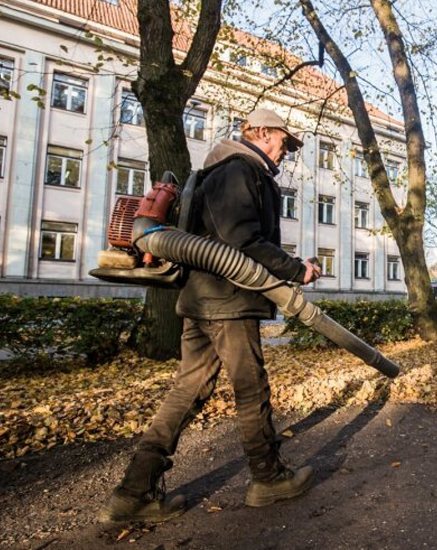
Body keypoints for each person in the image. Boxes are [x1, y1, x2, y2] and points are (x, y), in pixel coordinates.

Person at [101, 108, 322, 523]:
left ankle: (132, 494)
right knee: (250, 387)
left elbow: (229, 238)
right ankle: (269, 479)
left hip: (203, 299)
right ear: (259, 133)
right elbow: (241, 239)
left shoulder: (223, 171)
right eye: (283, 141)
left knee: (188, 390)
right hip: (228, 299)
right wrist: (296, 269)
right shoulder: (240, 170)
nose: (286, 151)